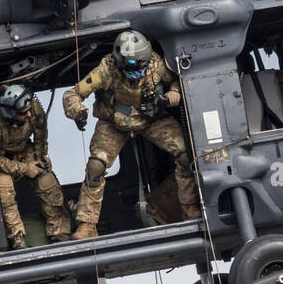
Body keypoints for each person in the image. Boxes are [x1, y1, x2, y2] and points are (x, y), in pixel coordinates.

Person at [62, 31, 200, 240]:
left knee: (185, 155)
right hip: (114, 122)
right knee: (96, 166)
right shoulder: (106, 70)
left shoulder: (158, 65)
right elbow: (72, 94)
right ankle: (87, 225)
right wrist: (77, 111)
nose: (139, 71)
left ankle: (190, 210)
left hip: (151, 120)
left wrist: (172, 95)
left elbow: (178, 82)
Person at [0, 83, 71, 248]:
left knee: (47, 182)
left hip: (25, 149)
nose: (29, 114)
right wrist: (25, 169)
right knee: (4, 191)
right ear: (10, 112)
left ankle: (60, 234)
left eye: (30, 110)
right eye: (24, 113)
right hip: (3, 160)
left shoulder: (33, 107)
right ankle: (18, 239)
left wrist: (41, 157)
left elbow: (40, 133)